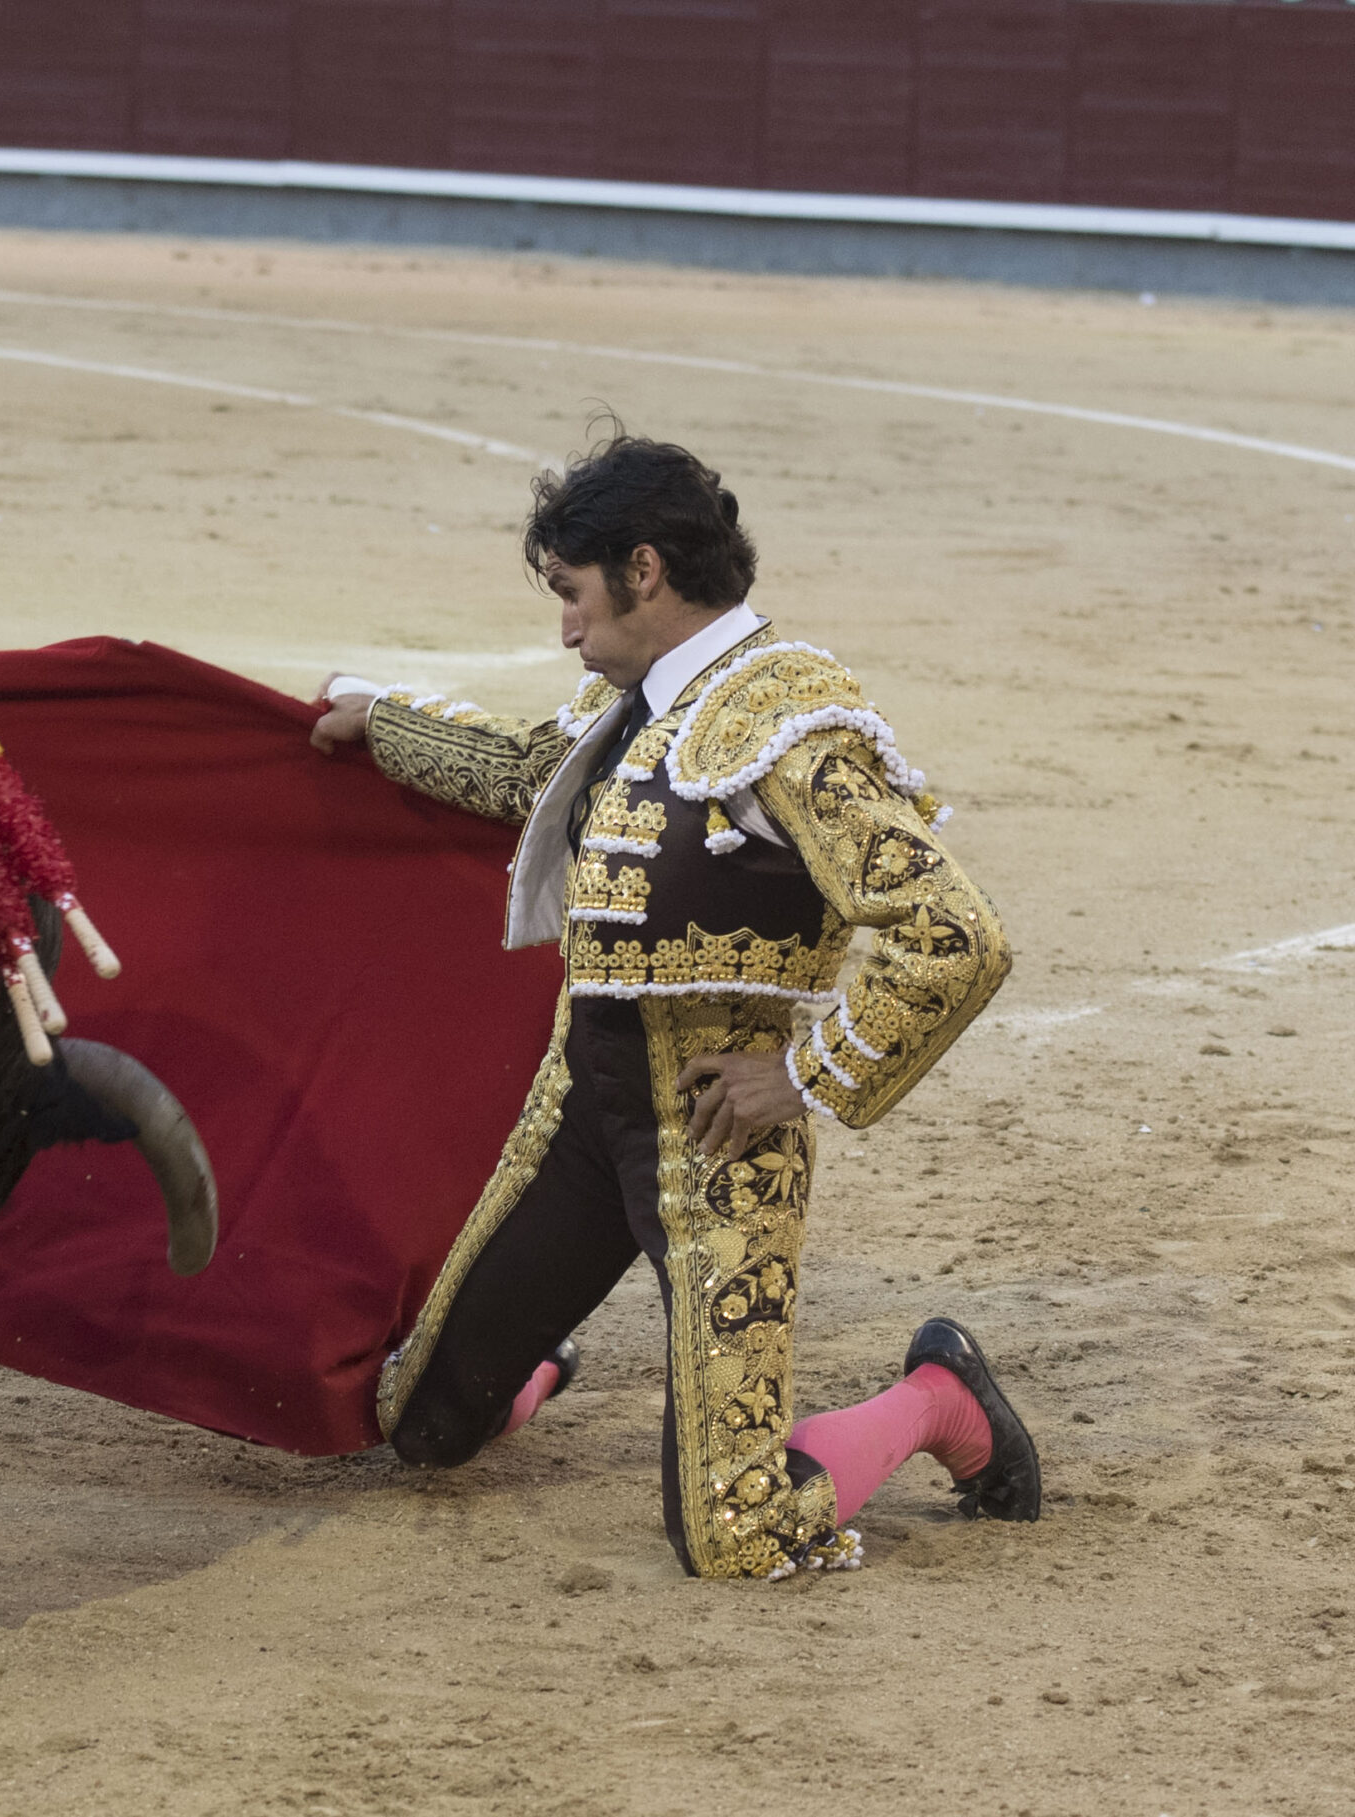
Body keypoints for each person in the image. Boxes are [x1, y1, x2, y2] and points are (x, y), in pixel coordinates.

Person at [310, 432, 1037, 1578]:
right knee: (418, 1422)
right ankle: (535, 1361)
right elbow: (518, 771)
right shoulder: (642, 706)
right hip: (581, 1111)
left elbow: (955, 933)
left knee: (734, 1528)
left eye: (571, 591)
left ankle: (944, 1399)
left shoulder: (792, 724)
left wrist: (799, 1078)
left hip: (717, 1135)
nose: (563, 624)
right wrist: (379, 722)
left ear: (642, 570)